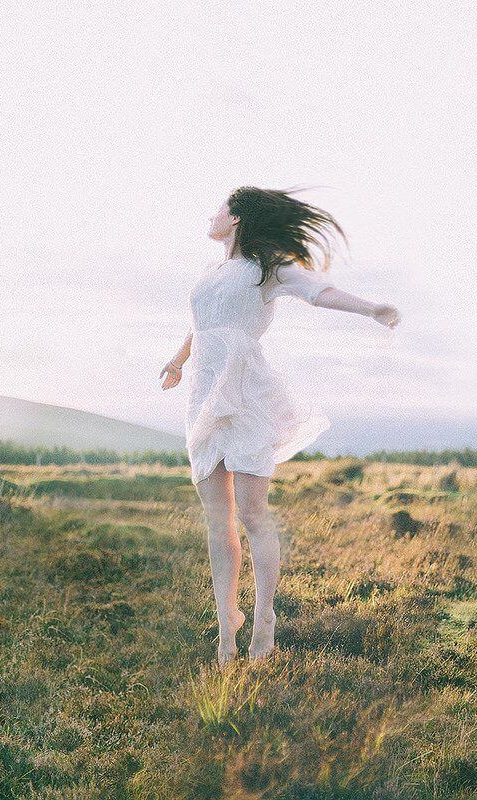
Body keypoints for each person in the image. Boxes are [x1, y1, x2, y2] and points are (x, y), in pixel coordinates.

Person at [159, 185, 401, 668]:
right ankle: (227, 623)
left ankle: (264, 617)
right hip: (204, 396)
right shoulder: (212, 272)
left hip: (247, 394)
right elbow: (201, 323)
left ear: (238, 218)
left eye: (219, 209)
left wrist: (372, 308)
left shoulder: (268, 264)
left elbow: (318, 291)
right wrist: (178, 360)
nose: (211, 216)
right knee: (217, 521)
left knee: (252, 515)